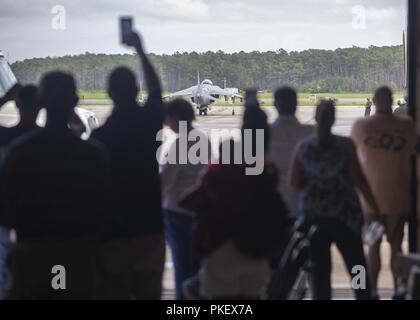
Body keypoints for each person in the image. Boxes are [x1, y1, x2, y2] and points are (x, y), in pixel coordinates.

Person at [0, 71, 110, 299]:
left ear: (41, 102)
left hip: (31, 251)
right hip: (76, 255)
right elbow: (105, 211)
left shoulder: (20, 152)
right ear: (74, 102)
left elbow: (6, 212)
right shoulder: (92, 154)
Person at [180, 99, 290, 299]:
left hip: (221, 246)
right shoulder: (269, 169)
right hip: (257, 247)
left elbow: (188, 201)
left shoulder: (221, 169)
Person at [91, 30, 165, 299]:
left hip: (113, 233)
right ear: (136, 90)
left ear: (109, 93)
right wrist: (141, 51)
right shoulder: (148, 124)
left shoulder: (99, 139)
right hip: (149, 226)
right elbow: (157, 92)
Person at [289, 100, 379, 300]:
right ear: (334, 119)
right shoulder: (345, 145)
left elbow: (294, 183)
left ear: (315, 118)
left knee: (320, 273)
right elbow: (360, 181)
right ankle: (363, 296)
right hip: (345, 217)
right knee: (356, 265)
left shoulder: (303, 148)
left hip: (314, 219)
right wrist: (375, 207)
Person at [351, 86, 417, 299]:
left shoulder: (362, 126)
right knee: (397, 248)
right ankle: (399, 289)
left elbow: (352, 155)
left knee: (372, 248)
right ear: (392, 101)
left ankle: (372, 291)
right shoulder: (406, 125)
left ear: (374, 101)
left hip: (370, 201)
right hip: (398, 199)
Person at [161, 98, 211, 300]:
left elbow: (165, 183)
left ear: (176, 117)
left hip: (177, 212)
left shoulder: (179, 144)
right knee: (195, 267)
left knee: (182, 268)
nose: (166, 123)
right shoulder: (203, 138)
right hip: (198, 210)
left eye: (168, 119)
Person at [269, 87, 314, 214]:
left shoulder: (263, 132)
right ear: (296, 105)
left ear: (275, 105)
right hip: (304, 206)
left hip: (271, 205)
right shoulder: (312, 132)